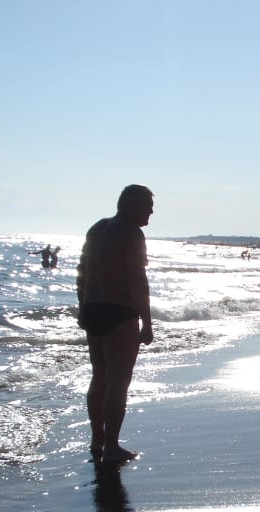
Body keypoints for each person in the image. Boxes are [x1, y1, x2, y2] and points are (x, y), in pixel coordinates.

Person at [76, 184, 155, 463]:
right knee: (119, 383)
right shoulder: (132, 233)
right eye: (146, 205)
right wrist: (147, 322)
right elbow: (136, 279)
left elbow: (82, 274)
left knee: (99, 377)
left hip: (93, 309)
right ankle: (111, 447)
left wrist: (81, 308)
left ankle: (97, 441)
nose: (151, 211)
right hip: (120, 312)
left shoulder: (97, 229)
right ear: (130, 204)